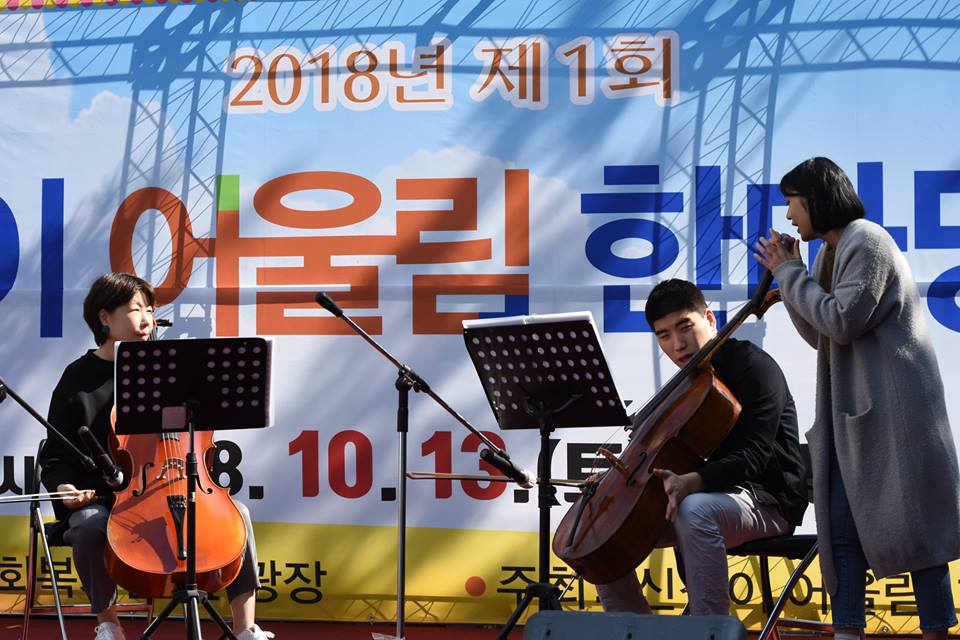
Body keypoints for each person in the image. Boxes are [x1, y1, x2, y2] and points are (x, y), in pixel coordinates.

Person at [754, 156, 960, 640]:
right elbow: (821, 333)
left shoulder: (867, 240)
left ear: (816, 200)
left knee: (917, 536)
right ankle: (848, 632)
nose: (789, 216)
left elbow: (843, 321)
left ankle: (936, 633)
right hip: (856, 419)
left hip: (895, 416)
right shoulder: (829, 250)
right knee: (841, 531)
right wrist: (794, 275)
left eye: (793, 203)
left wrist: (788, 275)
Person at [38, 273, 273, 640]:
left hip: (171, 483)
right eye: (135, 310)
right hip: (106, 499)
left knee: (237, 514)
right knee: (86, 526)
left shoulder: (172, 366)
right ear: (104, 318)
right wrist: (65, 486)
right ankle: (109, 624)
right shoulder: (78, 379)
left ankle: (246, 628)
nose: (147, 319)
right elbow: (54, 456)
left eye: (150, 309)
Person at [595, 278, 808, 616]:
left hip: (767, 500)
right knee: (600, 529)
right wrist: (614, 486)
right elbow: (663, 460)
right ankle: (636, 631)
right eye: (664, 335)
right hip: (706, 498)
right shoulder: (687, 385)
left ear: (709, 318)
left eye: (685, 327)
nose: (678, 344)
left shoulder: (754, 366)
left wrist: (692, 481)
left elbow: (754, 456)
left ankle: (708, 630)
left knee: (693, 510)